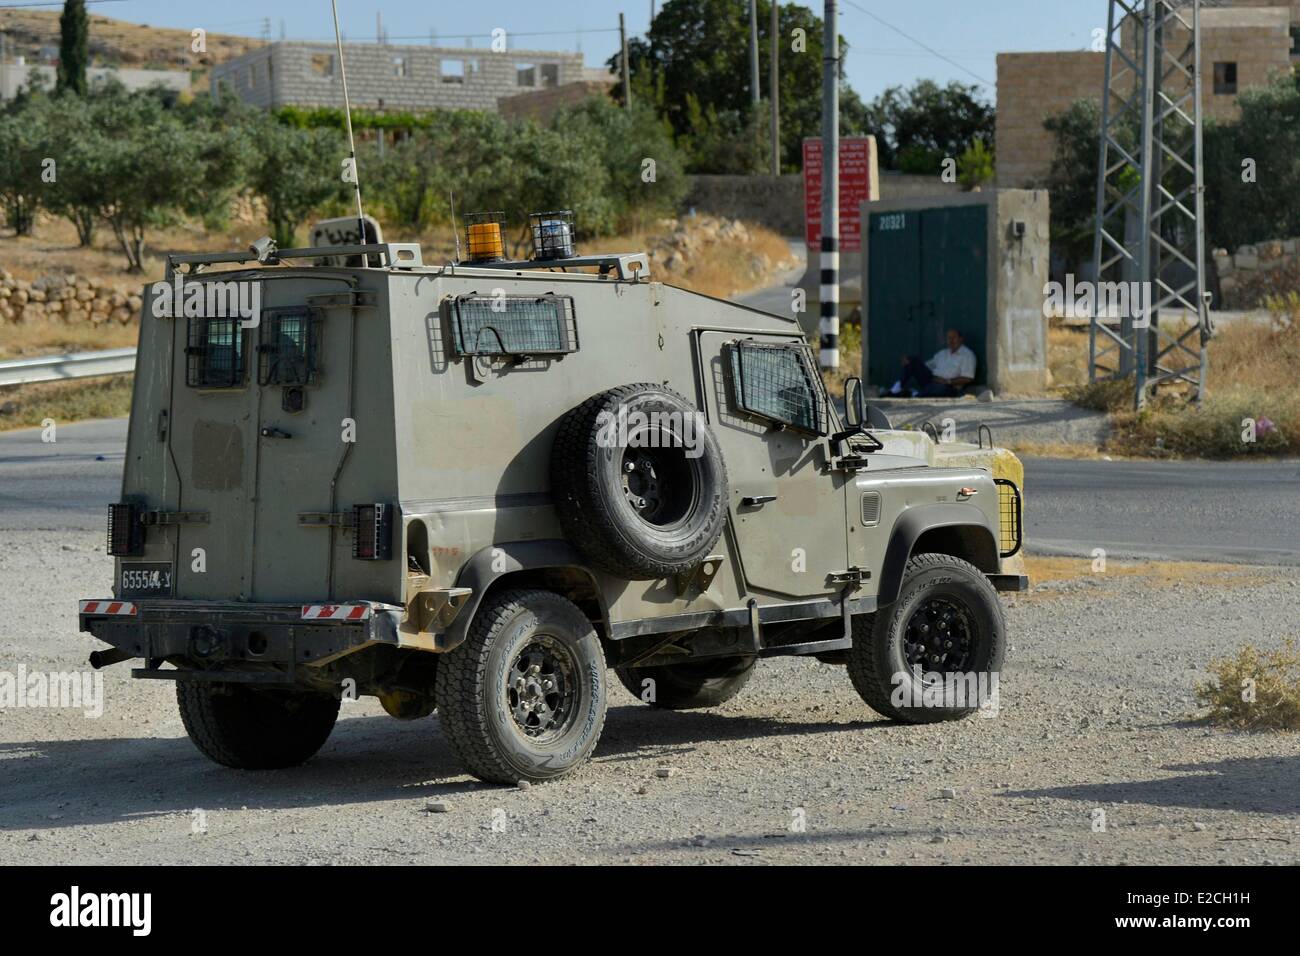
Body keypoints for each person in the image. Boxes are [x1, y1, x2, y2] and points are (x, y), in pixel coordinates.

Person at [889, 329, 977, 398]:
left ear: (961, 339)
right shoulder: (942, 353)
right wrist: (909, 362)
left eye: (954, 338)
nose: (951, 341)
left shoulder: (967, 355)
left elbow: (968, 378)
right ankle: (895, 389)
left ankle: (914, 394)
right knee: (913, 360)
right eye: (949, 338)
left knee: (939, 389)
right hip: (931, 380)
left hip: (948, 386)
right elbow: (925, 366)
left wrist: (947, 381)